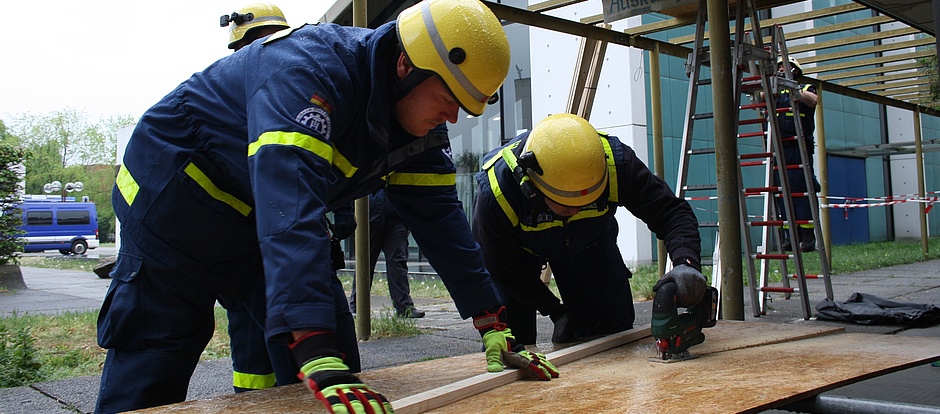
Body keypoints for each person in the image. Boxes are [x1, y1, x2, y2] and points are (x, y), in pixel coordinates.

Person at [95, 1, 558, 413]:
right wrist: (312, 344)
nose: (453, 117)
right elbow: (290, 206)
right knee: (155, 353)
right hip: (172, 210)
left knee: (331, 360)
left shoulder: (415, 129)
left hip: (259, 219)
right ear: (405, 66)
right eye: (447, 100)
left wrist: (491, 320)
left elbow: (442, 223)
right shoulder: (310, 73)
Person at [471, 113, 706, 345]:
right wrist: (555, 311)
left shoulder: (616, 163)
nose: (577, 210)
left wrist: (686, 264)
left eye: (586, 201)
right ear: (534, 187)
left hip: (589, 243)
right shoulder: (498, 191)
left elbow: (671, 212)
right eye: (567, 204)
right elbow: (503, 269)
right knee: (511, 343)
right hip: (516, 259)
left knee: (609, 335)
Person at [216, 3, 293, 394]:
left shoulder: (294, 83)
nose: (265, 48)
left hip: (275, 235)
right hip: (245, 235)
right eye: (256, 42)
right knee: (252, 334)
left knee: (281, 331)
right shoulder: (228, 90)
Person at [349, 188, 425, 319]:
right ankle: (357, 306)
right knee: (365, 261)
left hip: (395, 216)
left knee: (398, 261)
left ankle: (404, 307)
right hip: (369, 214)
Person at [773, 56, 820, 252]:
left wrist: (795, 91)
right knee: (781, 190)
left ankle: (807, 235)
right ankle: (789, 235)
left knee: (802, 186)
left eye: (785, 66)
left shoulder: (806, 87)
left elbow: (813, 100)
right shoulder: (775, 91)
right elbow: (759, 98)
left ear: (795, 70)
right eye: (779, 67)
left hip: (799, 145)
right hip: (778, 146)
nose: (782, 69)